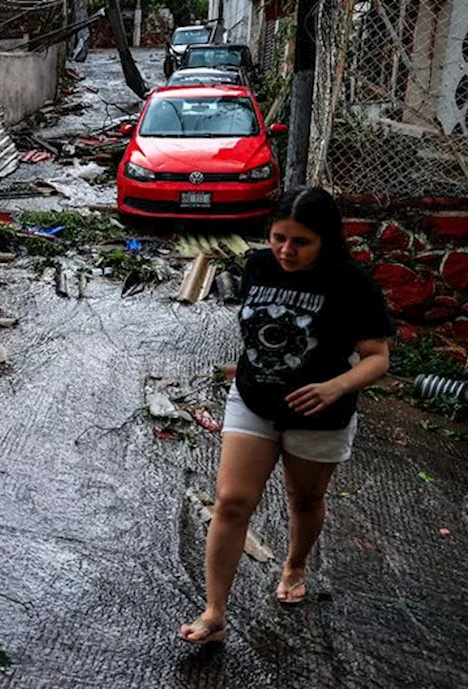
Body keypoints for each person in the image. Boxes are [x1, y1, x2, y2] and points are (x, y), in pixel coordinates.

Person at [180, 187, 395, 644]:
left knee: (304, 500)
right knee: (232, 502)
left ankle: (295, 564)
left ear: (326, 241)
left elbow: (378, 357)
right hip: (254, 400)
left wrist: (336, 386)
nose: (285, 250)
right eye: (279, 237)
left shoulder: (353, 284)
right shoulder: (257, 266)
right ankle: (215, 612)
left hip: (320, 413)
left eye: (301, 242)